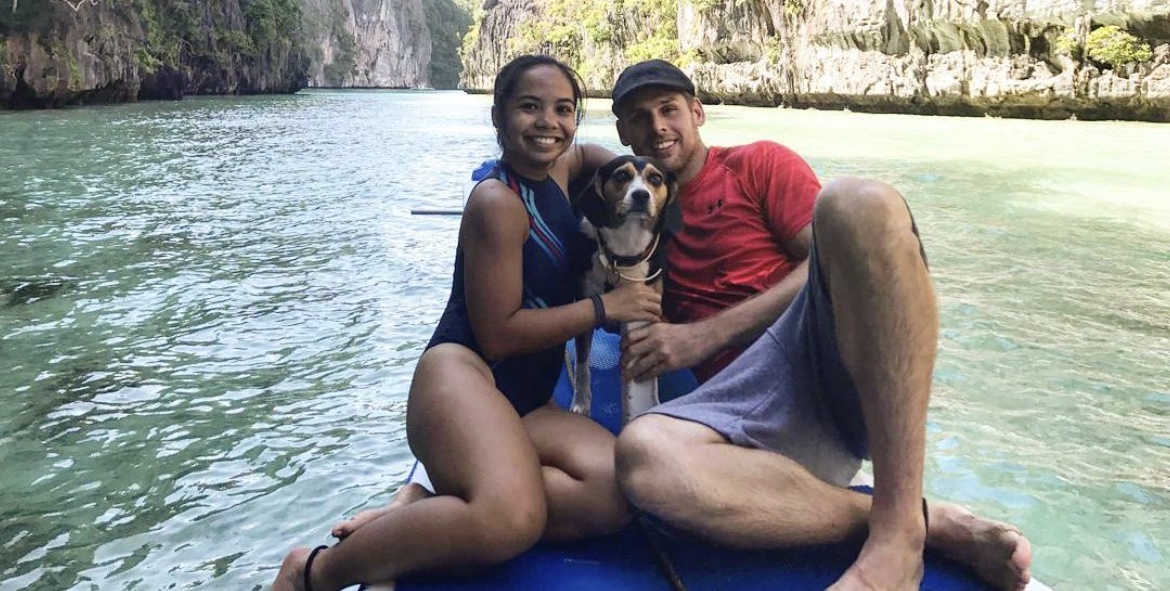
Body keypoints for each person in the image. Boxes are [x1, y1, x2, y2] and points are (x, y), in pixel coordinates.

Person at [608, 59, 1034, 591]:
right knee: (644, 456)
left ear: (697, 112)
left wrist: (706, 335)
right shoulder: (632, 205)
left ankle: (897, 541)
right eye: (639, 117)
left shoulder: (758, 164)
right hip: (740, 407)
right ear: (622, 133)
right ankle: (921, 521)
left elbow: (826, 262)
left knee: (858, 203)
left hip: (815, 353)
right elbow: (565, 164)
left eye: (668, 109)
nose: (657, 127)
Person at [271, 54, 661, 591]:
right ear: (499, 115)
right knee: (511, 520)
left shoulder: (565, 166)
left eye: (563, 109)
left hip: (528, 402)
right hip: (466, 377)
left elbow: (627, 169)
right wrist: (604, 308)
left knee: (618, 492)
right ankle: (313, 570)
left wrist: (656, 182)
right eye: (529, 107)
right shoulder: (497, 202)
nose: (548, 123)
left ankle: (429, 510)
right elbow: (499, 334)